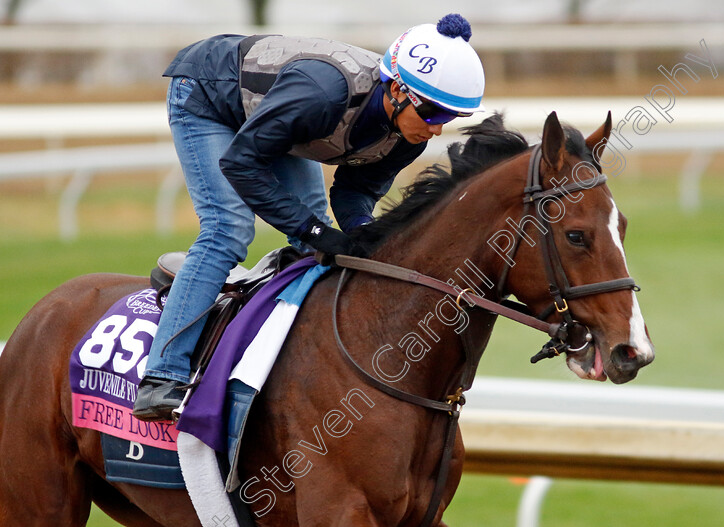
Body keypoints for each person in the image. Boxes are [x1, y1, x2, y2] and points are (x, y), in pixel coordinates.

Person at [132, 13, 486, 421]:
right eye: (435, 115)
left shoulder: (408, 135)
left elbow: (354, 191)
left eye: (449, 119)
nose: (438, 130)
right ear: (400, 91)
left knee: (315, 235)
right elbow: (242, 164)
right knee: (228, 229)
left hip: (277, 114)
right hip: (208, 95)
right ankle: (162, 375)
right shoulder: (321, 95)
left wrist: (362, 235)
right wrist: (316, 231)